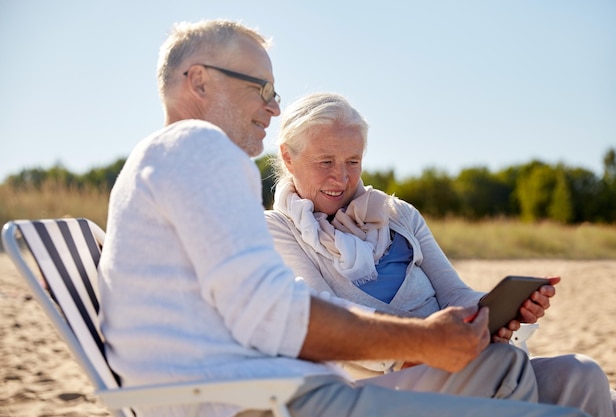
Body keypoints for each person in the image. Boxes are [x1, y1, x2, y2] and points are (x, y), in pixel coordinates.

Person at [98, 19, 589, 417]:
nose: (273, 107)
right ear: (199, 80)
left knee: (582, 382)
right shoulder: (199, 148)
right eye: (261, 88)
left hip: (264, 393)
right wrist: (425, 340)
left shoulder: (155, 165)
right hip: (269, 401)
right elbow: (277, 315)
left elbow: (259, 308)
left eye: (275, 91)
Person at [265, 92, 616, 417]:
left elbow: (455, 294)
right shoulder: (275, 229)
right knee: (502, 363)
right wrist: (423, 344)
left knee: (581, 373)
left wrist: (497, 311)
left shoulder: (398, 214)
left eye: (353, 161)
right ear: (288, 157)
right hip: (371, 389)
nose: (341, 177)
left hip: (456, 360)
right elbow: (320, 320)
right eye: (325, 162)